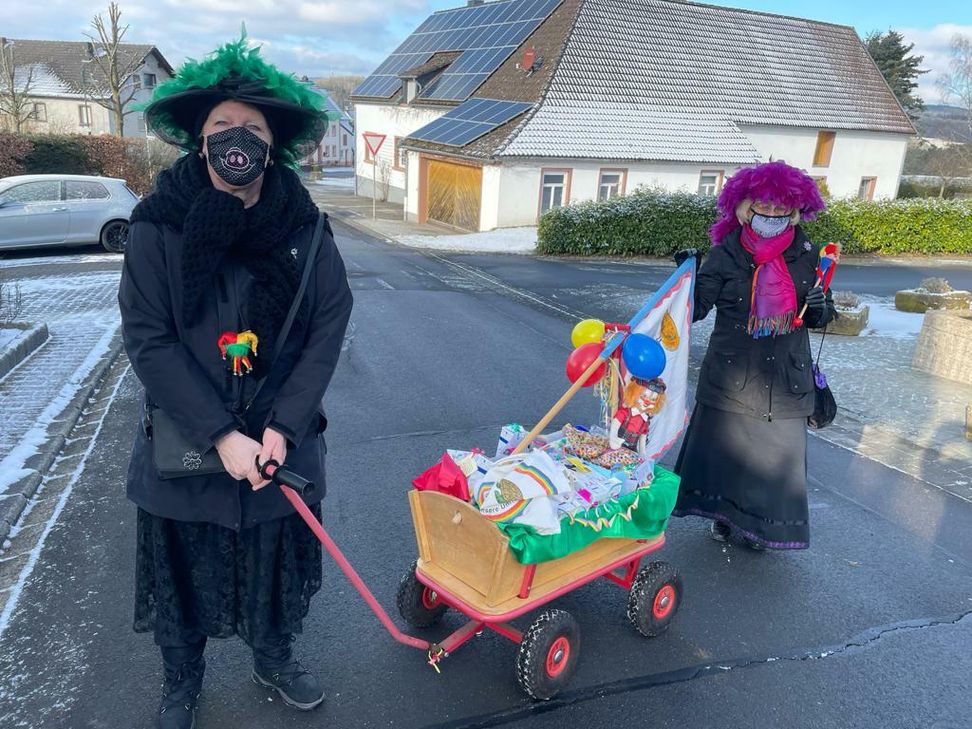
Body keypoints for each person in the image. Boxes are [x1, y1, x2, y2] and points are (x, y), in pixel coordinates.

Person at [118, 36, 352, 729]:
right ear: (198, 141)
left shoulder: (306, 229)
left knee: (270, 562)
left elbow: (328, 323)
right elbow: (149, 338)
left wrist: (282, 424)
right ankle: (181, 679)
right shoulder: (156, 227)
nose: (236, 140)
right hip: (188, 448)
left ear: (273, 142)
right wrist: (221, 433)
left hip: (284, 443)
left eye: (252, 128)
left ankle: (272, 654)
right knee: (185, 572)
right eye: (221, 128)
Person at [672, 161, 835, 551]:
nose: (773, 215)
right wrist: (684, 278)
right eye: (765, 207)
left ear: (794, 210)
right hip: (733, 371)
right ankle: (725, 520)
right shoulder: (725, 252)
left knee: (773, 458)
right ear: (746, 207)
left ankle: (761, 528)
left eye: (781, 209)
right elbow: (694, 309)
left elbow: (822, 317)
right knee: (729, 455)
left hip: (784, 376)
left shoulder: (807, 253)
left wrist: (818, 305)